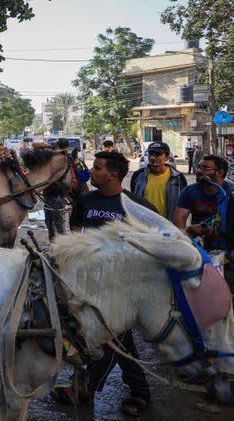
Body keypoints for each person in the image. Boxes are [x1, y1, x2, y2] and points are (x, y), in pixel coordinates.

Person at [57, 150, 154, 416]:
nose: (91, 171)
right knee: (116, 339)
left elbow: (154, 245)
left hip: (123, 285)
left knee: (112, 336)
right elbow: (75, 234)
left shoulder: (137, 206)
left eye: (96, 168)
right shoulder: (85, 200)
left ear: (113, 175)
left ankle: (86, 387)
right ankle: (139, 390)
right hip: (89, 282)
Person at [174, 155, 234, 250]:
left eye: (205, 168)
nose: (198, 171)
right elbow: (179, 224)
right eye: (199, 167)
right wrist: (188, 231)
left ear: (219, 173)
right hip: (198, 245)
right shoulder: (189, 191)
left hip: (227, 246)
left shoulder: (232, 192)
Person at [129, 141, 187, 221]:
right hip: (144, 224)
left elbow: (183, 205)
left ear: (167, 158)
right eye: (150, 154)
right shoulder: (138, 176)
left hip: (168, 225)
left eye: (157, 154)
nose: (152, 158)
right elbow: (134, 200)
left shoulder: (178, 177)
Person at [42, 138, 70, 243]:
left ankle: (64, 248)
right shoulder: (55, 157)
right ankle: (52, 246)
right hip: (48, 196)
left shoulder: (66, 159)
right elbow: (36, 146)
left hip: (58, 196)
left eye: (56, 147)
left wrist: (60, 152)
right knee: (49, 223)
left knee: (59, 225)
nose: (54, 148)